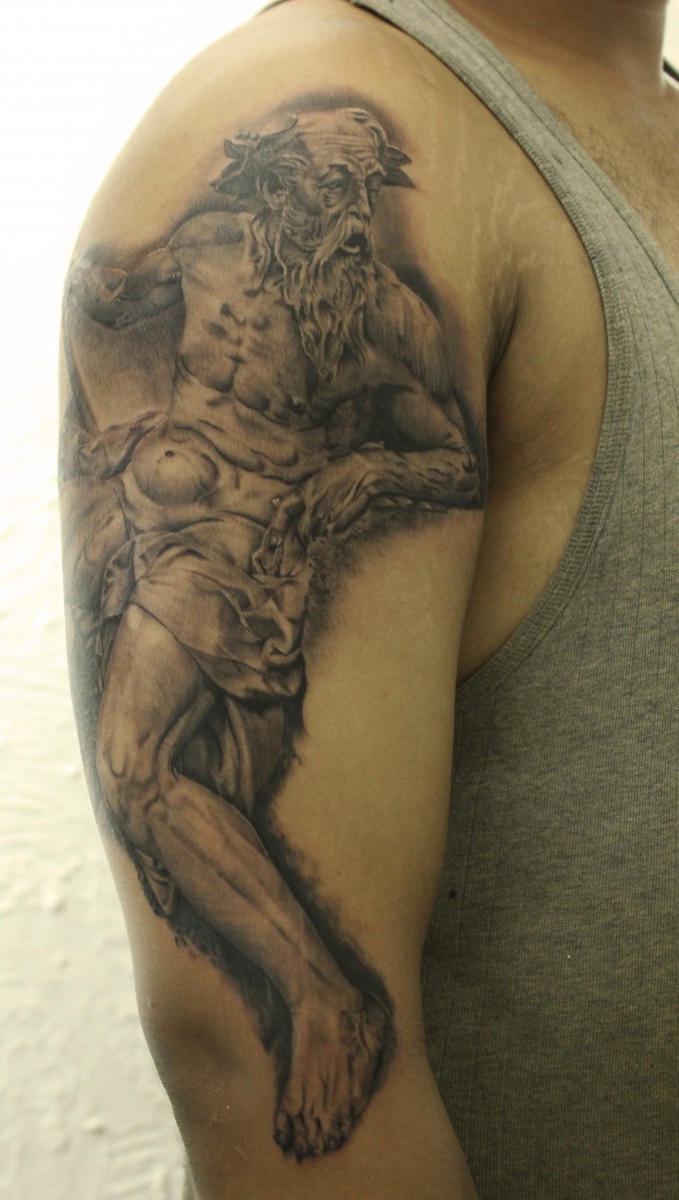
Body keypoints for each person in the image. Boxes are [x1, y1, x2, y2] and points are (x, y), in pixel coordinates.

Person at [59, 1, 679, 1196]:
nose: (330, 203)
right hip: (191, 553)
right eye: (313, 181)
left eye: (346, 188)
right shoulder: (318, 91)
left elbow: (434, 455)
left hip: (268, 557)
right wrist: (126, 458)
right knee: (145, 770)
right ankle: (316, 993)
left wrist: (351, 481)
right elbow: (234, 1069)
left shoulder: (392, 300)